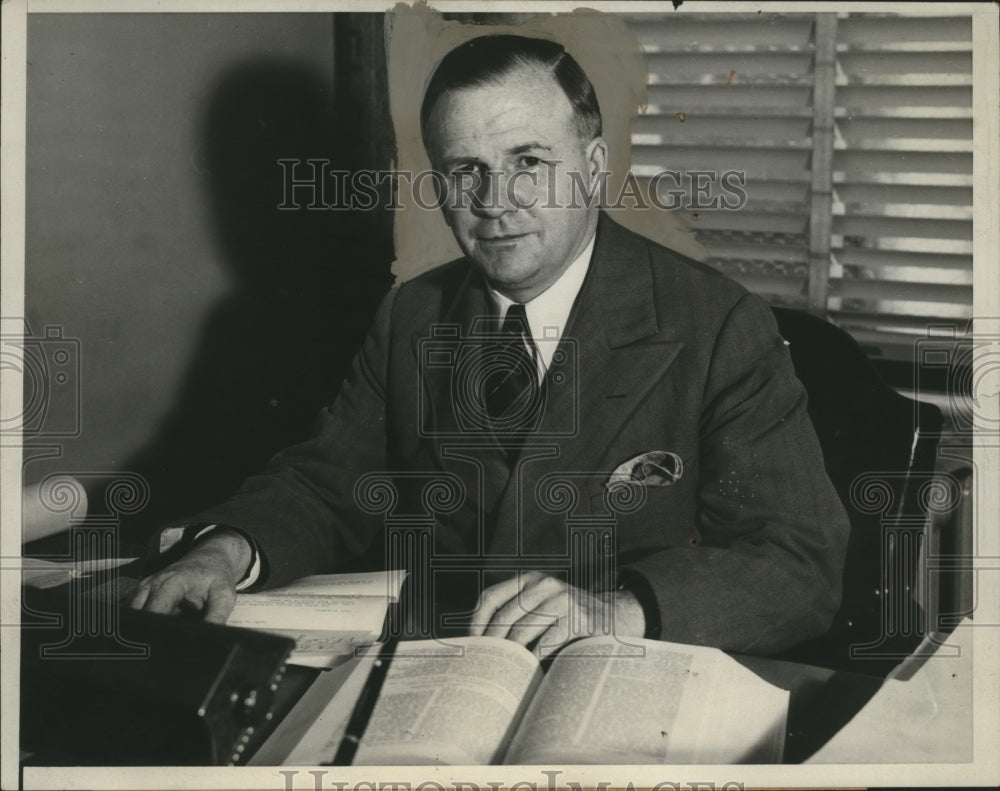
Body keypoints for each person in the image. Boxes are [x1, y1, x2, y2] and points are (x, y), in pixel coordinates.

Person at [132, 34, 849, 657]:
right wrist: (224, 550)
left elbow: (798, 561)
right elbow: (327, 482)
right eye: (465, 170)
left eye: (528, 161)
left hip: (619, 672)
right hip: (446, 670)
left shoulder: (718, 323)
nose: (495, 201)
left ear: (594, 166)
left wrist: (622, 610)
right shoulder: (413, 314)